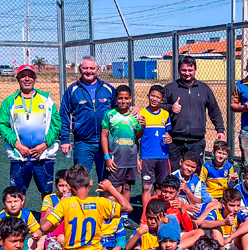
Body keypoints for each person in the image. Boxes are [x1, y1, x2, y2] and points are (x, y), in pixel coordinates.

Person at [59, 56, 137, 181]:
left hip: (106, 143)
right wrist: (64, 139)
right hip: (83, 143)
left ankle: (105, 201)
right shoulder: (73, 90)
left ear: (97, 70)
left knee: (107, 179)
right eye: (85, 68)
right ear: (80, 69)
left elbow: (119, 108)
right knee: (80, 180)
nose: (88, 71)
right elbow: (64, 115)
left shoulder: (107, 89)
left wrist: (131, 110)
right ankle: (81, 201)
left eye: (92, 68)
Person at [0, 64, 61, 199]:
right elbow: (3, 126)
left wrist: (44, 145)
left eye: (30, 76)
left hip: (43, 155)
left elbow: (56, 125)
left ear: (35, 78)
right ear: (17, 78)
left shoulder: (46, 100)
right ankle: (20, 220)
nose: (27, 79)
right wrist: (18, 146)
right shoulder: (9, 102)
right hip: (20, 155)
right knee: (18, 193)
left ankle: (46, 218)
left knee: (47, 192)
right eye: (23, 76)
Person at [162, 55, 226, 166]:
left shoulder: (204, 89)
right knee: (174, 174)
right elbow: (158, 107)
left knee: (195, 172)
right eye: (184, 70)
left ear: (195, 70)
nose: (187, 73)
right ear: (178, 70)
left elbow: (214, 110)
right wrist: (170, 108)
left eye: (190, 70)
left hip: (196, 141)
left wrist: (220, 130)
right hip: (175, 140)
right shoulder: (170, 88)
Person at [101, 85, 143, 225]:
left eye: (126, 98)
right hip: (115, 159)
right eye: (120, 98)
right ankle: (113, 216)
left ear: (130, 99)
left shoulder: (135, 116)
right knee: (115, 188)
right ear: (116, 99)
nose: (123, 101)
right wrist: (107, 157)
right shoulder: (110, 115)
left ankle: (124, 218)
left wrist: (142, 126)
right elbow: (104, 136)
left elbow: (138, 135)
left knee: (126, 188)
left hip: (130, 158)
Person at [138, 84, 173, 210]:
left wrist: (169, 138)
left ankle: (157, 212)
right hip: (147, 156)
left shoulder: (165, 114)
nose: (154, 99)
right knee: (147, 187)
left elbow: (167, 133)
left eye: (158, 97)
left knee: (160, 187)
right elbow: (136, 137)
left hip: (163, 156)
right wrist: (138, 157)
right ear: (148, 96)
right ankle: (145, 216)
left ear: (162, 100)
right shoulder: (141, 114)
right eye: (152, 95)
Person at [0, 186, 44, 250]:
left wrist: (36, 235)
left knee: (45, 238)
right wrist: (6, 244)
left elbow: (37, 231)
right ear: (4, 203)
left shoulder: (26, 214)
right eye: (9, 202)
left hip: (23, 243)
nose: (13, 205)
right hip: (7, 245)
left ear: (22, 201)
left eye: (16, 201)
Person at [40, 169, 71, 250]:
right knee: (40, 241)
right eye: (61, 186)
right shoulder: (49, 198)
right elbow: (42, 223)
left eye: (67, 185)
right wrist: (59, 206)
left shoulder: (75, 197)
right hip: (51, 235)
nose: (64, 189)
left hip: (67, 234)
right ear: (56, 186)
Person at [172, 151, 212, 217]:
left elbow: (197, 202)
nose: (189, 169)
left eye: (193, 167)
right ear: (181, 162)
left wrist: (187, 190)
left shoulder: (196, 180)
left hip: (192, 208)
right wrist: (185, 207)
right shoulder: (173, 176)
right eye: (187, 165)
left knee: (215, 205)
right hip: (176, 208)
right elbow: (168, 200)